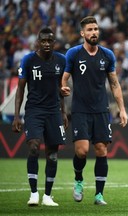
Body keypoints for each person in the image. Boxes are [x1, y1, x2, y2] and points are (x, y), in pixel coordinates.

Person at [61, 16, 128, 205]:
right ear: (82, 33)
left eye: (96, 29)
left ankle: (99, 195)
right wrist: (63, 88)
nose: (94, 32)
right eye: (90, 30)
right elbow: (64, 79)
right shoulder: (73, 54)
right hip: (80, 110)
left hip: (101, 110)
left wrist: (122, 109)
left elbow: (114, 84)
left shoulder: (107, 55)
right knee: (81, 151)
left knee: (101, 150)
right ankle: (79, 180)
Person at [12, 27, 68, 207]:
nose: (46, 44)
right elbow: (21, 89)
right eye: (42, 41)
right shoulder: (28, 60)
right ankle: (34, 193)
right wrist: (16, 116)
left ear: (54, 43)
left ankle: (48, 196)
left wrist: (63, 112)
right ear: (38, 42)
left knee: (52, 155)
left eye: (49, 41)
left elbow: (62, 88)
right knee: (34, 147)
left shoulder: (61, 60)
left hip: (53, 112)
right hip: (34, 110)